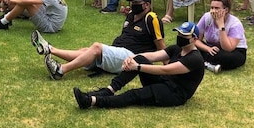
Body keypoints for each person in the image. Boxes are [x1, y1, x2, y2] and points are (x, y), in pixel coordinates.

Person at [71, 21, 205, 110]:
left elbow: (166, 70)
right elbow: (153, 56)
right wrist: (132, 58)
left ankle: (92, 101)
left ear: (194, 38)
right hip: (164, 82)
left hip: (175, 93)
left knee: (133, 95)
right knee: (140, 58)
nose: (180, 37)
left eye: (184, 35)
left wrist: (138, 67)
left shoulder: (195, 59)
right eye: (179, 33)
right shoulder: (177, 48)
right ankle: (109, 90)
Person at [39, 0, 165, 79]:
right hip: (120, 51)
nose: (134, 5)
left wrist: (168, 69)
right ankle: (50, 49)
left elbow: (161, 48)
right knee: (86, 51)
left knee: (96, 48)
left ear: (147, 5)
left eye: (137, 3)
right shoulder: (131, 15)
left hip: (132, 57)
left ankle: (60, 70)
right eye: (133, 2)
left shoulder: (151, 19)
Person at [194, 0, 248, 73]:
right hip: (211, 47)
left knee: (228, 58)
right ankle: (207, 63)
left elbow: (228, 48)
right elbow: (195, 39)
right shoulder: (206, 17)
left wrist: (221, 26)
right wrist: (207, 48)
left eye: (217, 8)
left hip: (233, 51)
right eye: (212, 8)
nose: (213, 11)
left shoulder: (235, 23)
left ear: (226, 10)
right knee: (188, 45)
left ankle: (202, 62)